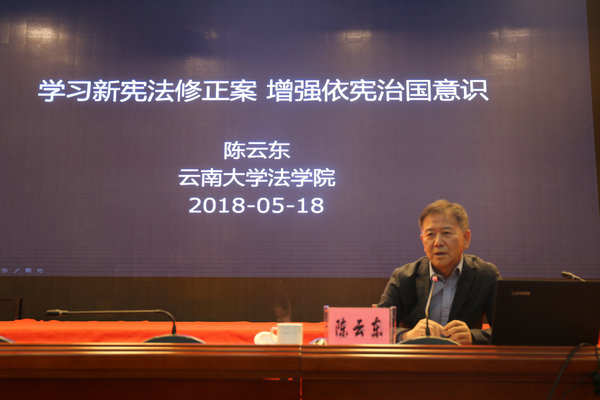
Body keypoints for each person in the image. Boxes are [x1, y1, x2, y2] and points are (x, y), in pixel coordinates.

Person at [378, 199, 501, 345]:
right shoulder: (404, 277)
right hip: (416, 357)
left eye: (446, 233)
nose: (437, 242)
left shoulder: (486, 275)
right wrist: (406, 335)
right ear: (423, 240)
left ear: (466, 238)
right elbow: (376, 328)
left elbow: (510, 330)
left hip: (463, 358)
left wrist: (472, 337)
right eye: (430, 235)